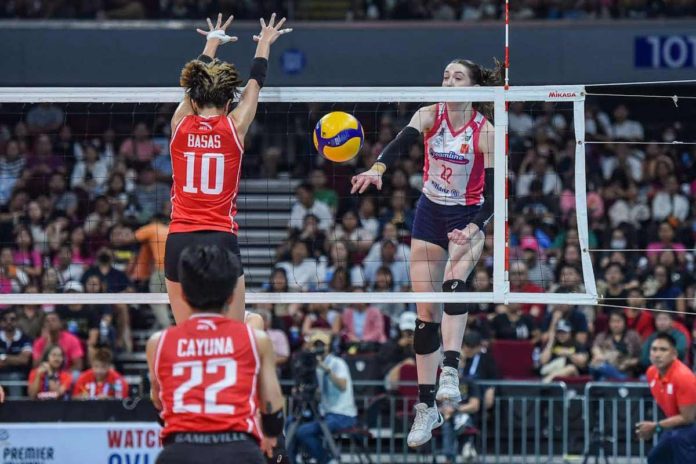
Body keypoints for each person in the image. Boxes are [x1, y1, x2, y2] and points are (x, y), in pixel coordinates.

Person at [351, 58, 500, 447]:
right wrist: (378, 169)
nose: (448, 82)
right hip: (429, 214)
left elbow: (501, 189)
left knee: (453, 284)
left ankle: (451, 368)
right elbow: (400, 143)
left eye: (458, 77)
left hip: (469, 215)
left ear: (473, 88)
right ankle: (426, 407)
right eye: (445, 76)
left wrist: (475, 225)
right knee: (424, 316)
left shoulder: (486, 132)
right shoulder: (429, 115)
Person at [165, 13, 292, 325]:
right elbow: (255, 83)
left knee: (189, 336)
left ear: (194, 101)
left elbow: (191, 86)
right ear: (227, 103)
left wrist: (212, 42)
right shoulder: (234, 126)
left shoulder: (180, 124)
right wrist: (264, 43)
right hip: (221, 239)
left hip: (179, 239)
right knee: (233, 333)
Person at [146, 244, 285, 464]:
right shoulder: (255, 339)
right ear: (231, 296)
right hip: (237, 449)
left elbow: (158, 403)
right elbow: (272, 408)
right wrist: (270, 434)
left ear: (182, 294)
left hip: (180, 451)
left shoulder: (158, 343)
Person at [288, 331, 358, 464]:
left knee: (304, 431)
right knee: (290, 423)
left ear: (328, 347)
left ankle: (327, 460)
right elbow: (317, 393)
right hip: (325, 413)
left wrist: (326, 370)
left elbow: (342, 385)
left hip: (342, 415)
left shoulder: (338, 363)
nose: (319, 348)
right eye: (315, 345)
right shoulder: (313, 366)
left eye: (322, 345)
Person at [636, 333, 696, 464]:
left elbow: (688, 418)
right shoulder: (651, 372)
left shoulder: (683, 377)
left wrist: (656, 426)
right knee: (655, 458)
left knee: (678, 442)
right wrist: (657, 427)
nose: (657, 354)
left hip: (690, 426)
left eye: (663, 350)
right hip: (678, 427)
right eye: (654, 349)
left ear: (674, 354)